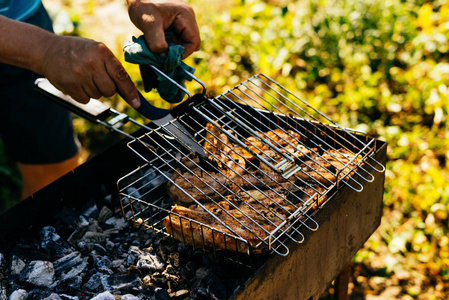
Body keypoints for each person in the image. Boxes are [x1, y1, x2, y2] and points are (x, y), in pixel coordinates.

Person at [0, 0, 201, 199]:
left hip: (22, 16)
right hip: (27, 40)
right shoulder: (45, 48)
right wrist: (45, 50)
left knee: (52, 169)